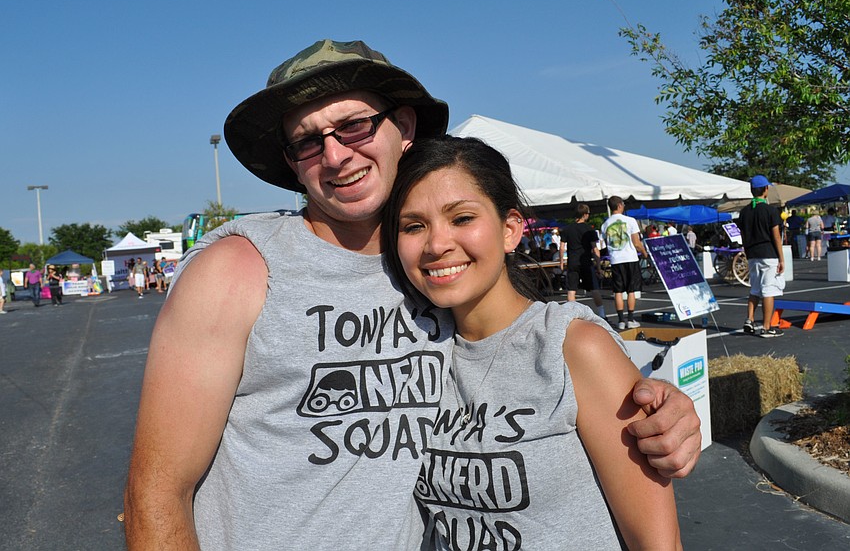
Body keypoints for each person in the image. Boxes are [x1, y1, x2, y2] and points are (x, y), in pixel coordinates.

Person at [124, 39, 701, 549]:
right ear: (291, 164)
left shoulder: (431, 277)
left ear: (403, 126)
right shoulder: (236, 270)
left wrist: (665, 411)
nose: (336, 155)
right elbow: (155, 493)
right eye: (307, 141)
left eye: (354, 126)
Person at [382, 136, 681, 549]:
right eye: (414, 226)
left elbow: (658, 544)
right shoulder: (407, 352)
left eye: (462, 218)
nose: (436, 244)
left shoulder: (573, 347)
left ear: (510, 230)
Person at [738, 175, 785, 338]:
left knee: (755, 288)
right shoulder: (770, 210)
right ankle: (766, 327)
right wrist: (781, 258)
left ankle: (749, 319)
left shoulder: (744, 212)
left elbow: (743, 236)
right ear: (765, 189)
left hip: (752, 254)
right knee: (768, 290)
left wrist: (747, 252)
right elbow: (776, 236)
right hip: (768, 253)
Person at [601, 196, 648, 330]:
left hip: (616, 259)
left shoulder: (605, 224)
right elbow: (636, 242)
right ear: (620, 205)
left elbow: (604, 241)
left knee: (618, 291)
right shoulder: (630, 221)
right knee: (631, 290)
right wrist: (644, 253)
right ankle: (631, 319)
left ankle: (621, 320)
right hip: (630, 258)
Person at [561, 203, 605, 318]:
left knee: (571, 290)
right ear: (585, 215)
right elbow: (595, 249)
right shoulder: (589, 230)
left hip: (572, 262)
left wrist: (561, 262)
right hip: (585, 262)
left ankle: (572, 316)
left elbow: (562, 247)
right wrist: (599, 267)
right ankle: (602, 314)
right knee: (594, 289)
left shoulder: (567, 229)